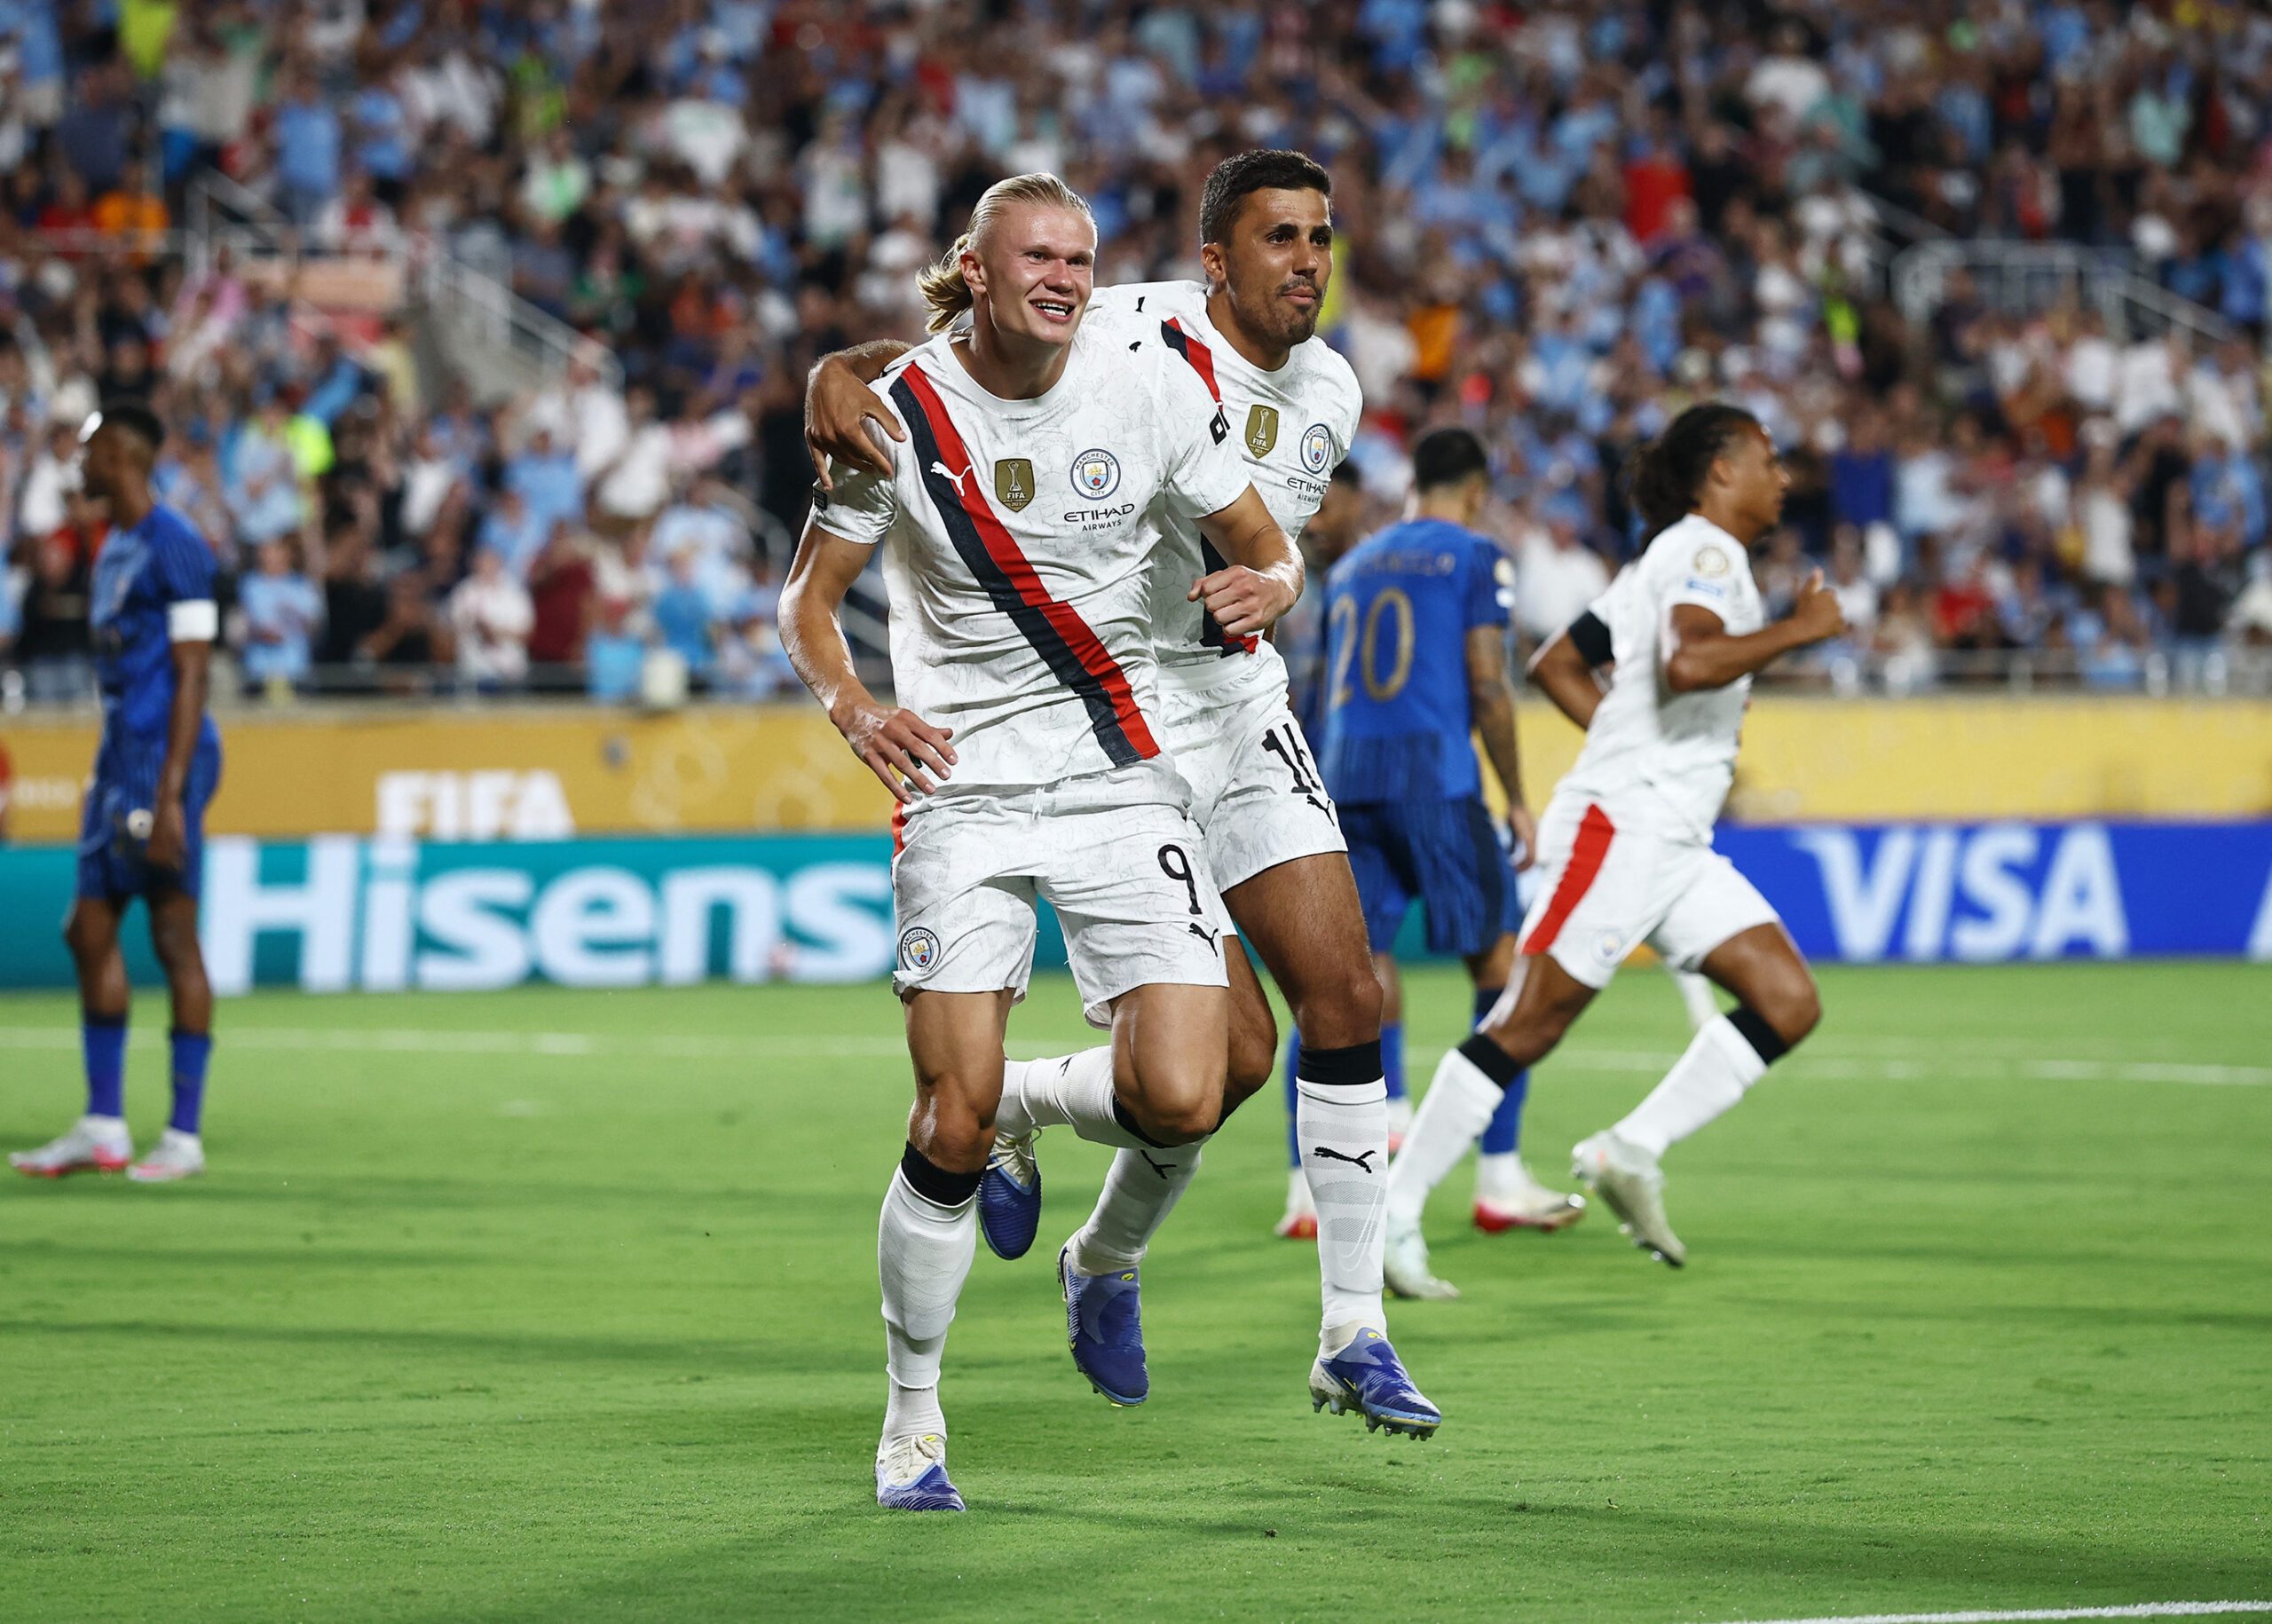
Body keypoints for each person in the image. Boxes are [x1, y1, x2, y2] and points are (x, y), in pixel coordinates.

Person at [806, 152, 1434, 1442]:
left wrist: (1280, 582)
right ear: (1215, 261)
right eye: (1280, 238)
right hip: (1110, 714)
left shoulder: (1334, 388)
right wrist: (834, 371)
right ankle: (1034, 1142)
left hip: (1235, 706)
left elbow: (1273, 543)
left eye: (1321, 237)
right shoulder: (1131, 321)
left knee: (1345, 997)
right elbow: (958, 346)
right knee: (1226, 1062)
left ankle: (1346, 1328)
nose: (1308, 262)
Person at [1383, 403, 1845, 1295]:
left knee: (1786, 1001)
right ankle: (1390, 1217)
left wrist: (1634, 739)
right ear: (1721, 471)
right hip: (1623, 826)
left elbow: (1557, 661)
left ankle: (1631, 1146)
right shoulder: (1707, 553)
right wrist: (1801, 628)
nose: (1782, 476)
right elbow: (1689, 664)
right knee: (1528, 1022)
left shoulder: (1664, 558)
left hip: (1671, 837)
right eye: (1767, 458)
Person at [1306, 427, 1585, 1285]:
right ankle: (1499, 1174)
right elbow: (1488, 683)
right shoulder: (1473, 554)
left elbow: (1320, 684)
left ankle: (1361, 1145)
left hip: (1347, 773)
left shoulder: (1354, 564)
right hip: (1436, 774)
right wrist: (1518, 796)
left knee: (1359, 967)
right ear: (1476, 489)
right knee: (1501, 966)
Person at [11, 402, 224, 1184]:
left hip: (164, 759)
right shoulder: (114, 547)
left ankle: (183, 1137)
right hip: (117, 756)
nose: (80, 460)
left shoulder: (178, 546)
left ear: (125, 457)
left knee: (173, 935)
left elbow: (193, 675)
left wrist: (171, 797)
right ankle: (102, 1125)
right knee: (87, 930)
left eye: (92, 449)